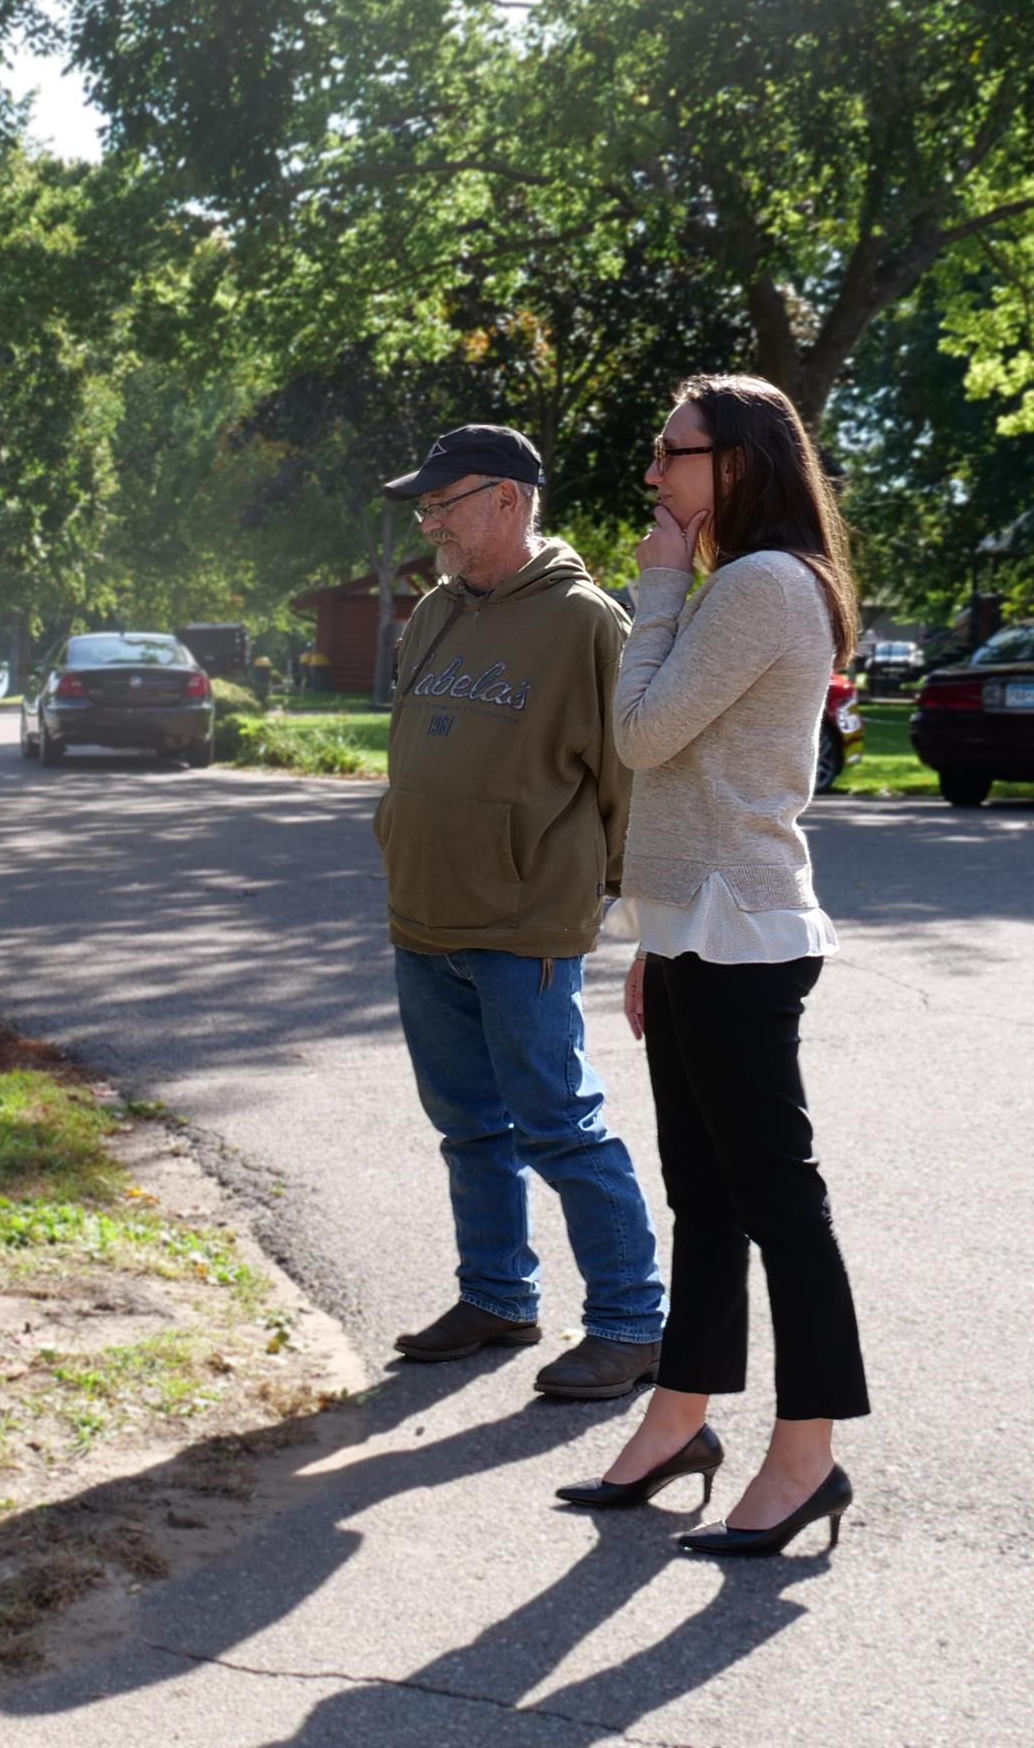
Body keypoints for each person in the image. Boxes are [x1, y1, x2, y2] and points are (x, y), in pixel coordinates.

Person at [557, 374, 867, 1556]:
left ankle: (806, 1460)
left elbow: (641, 735)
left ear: (733, 462)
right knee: (702, 1197)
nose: (653, 474)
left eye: (669, 453)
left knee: (778, 1204)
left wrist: (653, 584)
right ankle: (677, 1421)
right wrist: (653, 932)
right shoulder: (743, 584)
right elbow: (678, 772)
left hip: (738, 928)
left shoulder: (755, 584)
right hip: (695, 923)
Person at [376, 425, 666, 1399]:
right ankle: (496, 1294)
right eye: (423, 508)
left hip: (522, 930)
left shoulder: (585, 621)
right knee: (466, 1126)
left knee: (558, 1127)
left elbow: (630, 784)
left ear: (505, 500)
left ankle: (632, 1324)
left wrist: (645, 932)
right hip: (423, 920)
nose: (428, 525)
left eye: (441, 505)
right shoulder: (432, 614)